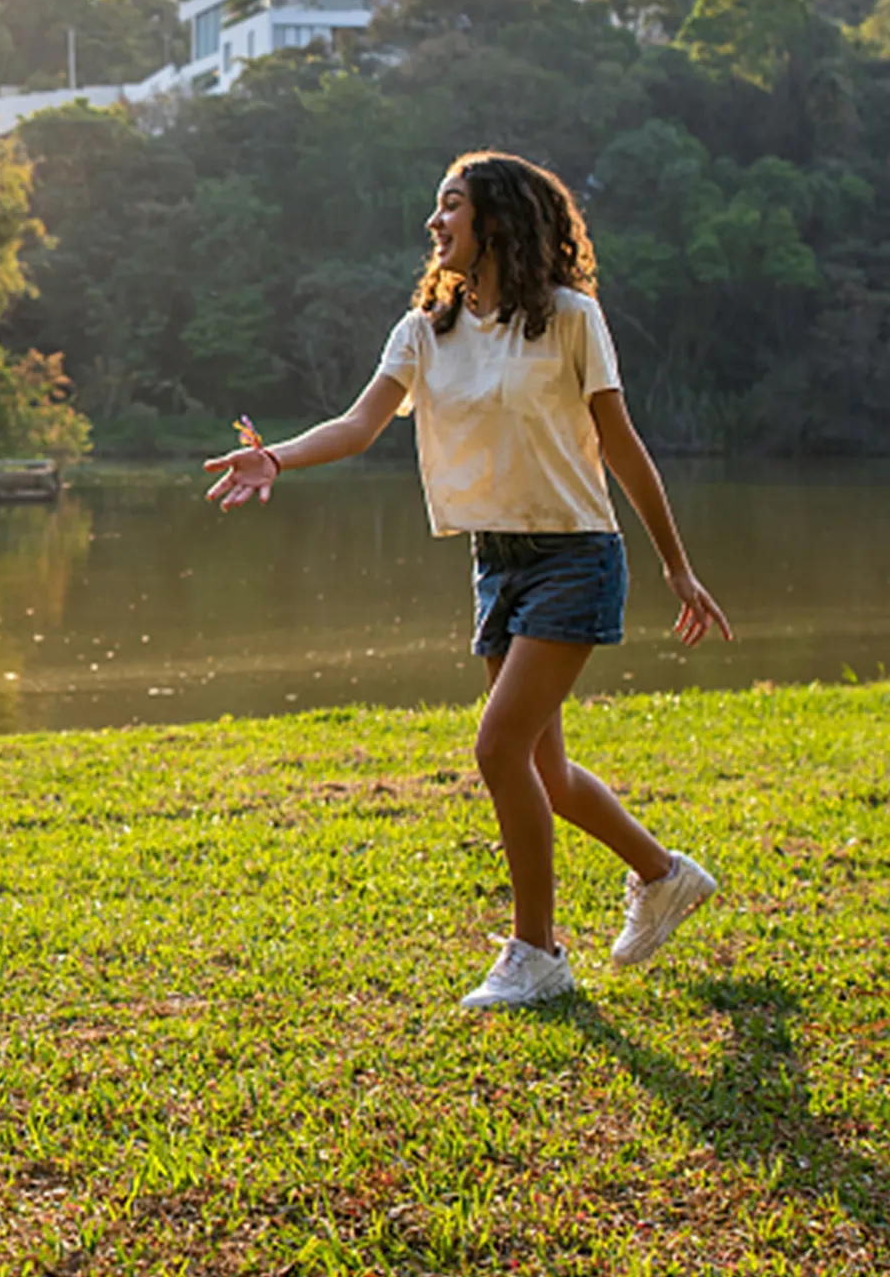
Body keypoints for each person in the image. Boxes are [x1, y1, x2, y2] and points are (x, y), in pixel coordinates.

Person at [204, 151, 732, 1010]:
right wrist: (275, 458)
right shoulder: (426, 330)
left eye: (451, 205)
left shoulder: (570, 318)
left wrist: (676, 563)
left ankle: (538, 953)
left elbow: (621, 445)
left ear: (499, 219)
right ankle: (663, 874)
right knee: (545, 772)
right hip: (496, 562)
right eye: (436, 207)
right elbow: (358, 424)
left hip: (575, 556)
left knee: (497, 749)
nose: (434, 222)